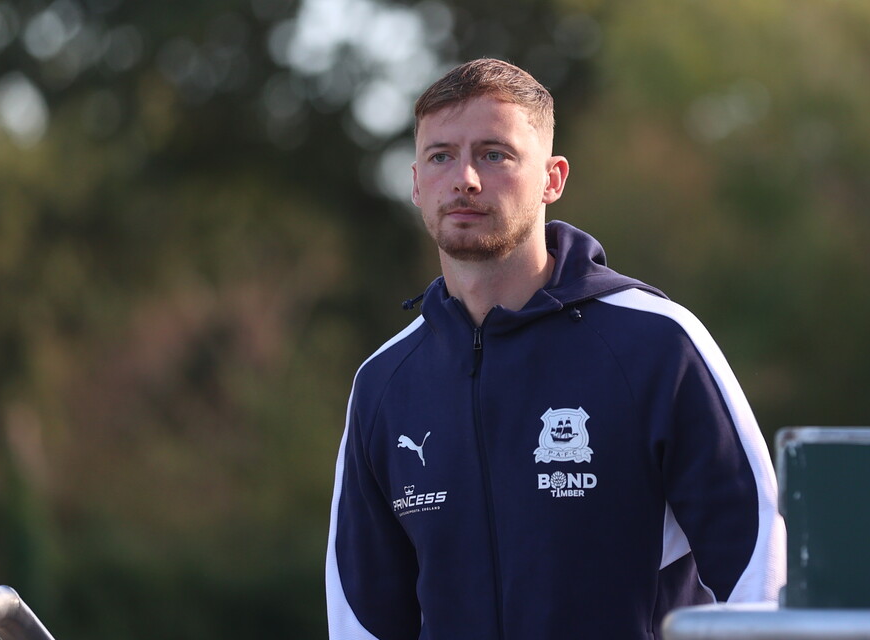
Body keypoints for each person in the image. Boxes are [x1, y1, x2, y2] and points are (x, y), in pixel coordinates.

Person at [325, 58, 785, 640]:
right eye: (441, 156)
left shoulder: (658, 344)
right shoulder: (384, 383)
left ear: (552, 178)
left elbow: (759, 577)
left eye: (495, 154)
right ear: (417, 183)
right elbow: (362, 618)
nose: (465, 179)